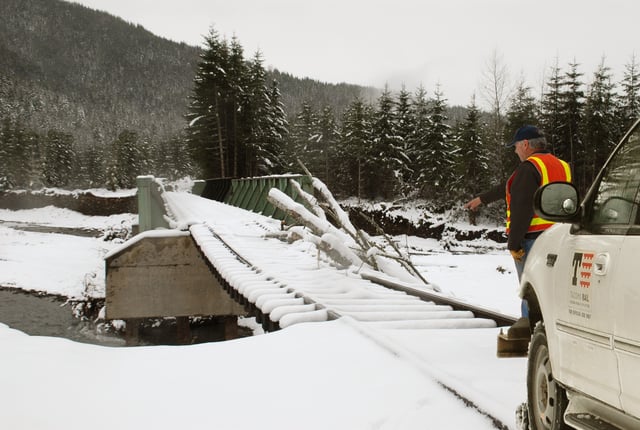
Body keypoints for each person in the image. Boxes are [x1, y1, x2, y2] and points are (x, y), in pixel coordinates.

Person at [464, 125, 572, 323]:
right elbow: (510, 184)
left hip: (532, 241)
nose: (514, 151)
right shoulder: (561, 165)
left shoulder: (530, 167)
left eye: (515, 146)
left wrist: (513, 243)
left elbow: (521, 209)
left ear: (525, 144)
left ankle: (530, 336)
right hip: (560, 238)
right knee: (552, 292)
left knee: (529, 291)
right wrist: (482, 199)